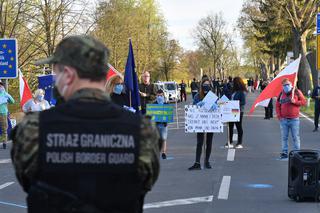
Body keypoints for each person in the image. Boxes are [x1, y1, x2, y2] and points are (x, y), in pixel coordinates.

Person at [10, 35, 160, 213]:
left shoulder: (33, 130)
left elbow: (27, 180)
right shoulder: (142, 131)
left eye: (56, 72)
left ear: (69, 75)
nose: (55, 80)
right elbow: (144, 184)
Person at [188, 76, 217, 170]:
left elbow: (218, 107)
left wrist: (215, 106)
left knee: (209, 142)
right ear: (201, 85)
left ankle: (207, 161)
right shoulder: (197, 96)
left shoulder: (213, 96)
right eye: (204, 85)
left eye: (208, 85)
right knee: (199, 142)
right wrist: (198, 105)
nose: (206, 86)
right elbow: (193, 108)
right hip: (200, 122)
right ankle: (197, 162)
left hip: (210, 122)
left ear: (210, 86)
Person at [276, 78, 306, 159]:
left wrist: (295, 102)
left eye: (287, 84)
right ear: (282, 86)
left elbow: (304, 102)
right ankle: (284, 152)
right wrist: (279, 116)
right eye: (284, 85)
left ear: (291, 84)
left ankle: (297, 153)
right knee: (284, 137)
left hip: (294, 119)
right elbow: (277, 105)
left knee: (295, 137)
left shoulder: (296, 92)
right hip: (284, 120)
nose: (286, 86)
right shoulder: (281, 94)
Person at [227, 77, 247, 149]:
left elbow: (243, 102)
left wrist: (235, 104)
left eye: (233, 82)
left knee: (238, 126)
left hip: (238, 111)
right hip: (231, 110)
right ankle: (230, 141)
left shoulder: (241, 92)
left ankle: (239, 142)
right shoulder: (233, 91)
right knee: (230, 126)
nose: (232, 83)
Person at [154, 89, 168, 159]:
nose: (160, 97)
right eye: (158, 96)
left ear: (163, 96)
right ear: (156, 96)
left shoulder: (166, 104)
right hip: (156, 125)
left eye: (161, 96)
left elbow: (168, 115)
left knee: (164, 139)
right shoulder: (154, 104)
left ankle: (164, 152)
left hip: (164, 125)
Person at [0, 82, 14, 149]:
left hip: (3, 113)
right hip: (3, 113)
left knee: (4, 129)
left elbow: (12, 101)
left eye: (1, 86)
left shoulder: (5, 94)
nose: (0, 87)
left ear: (3, 87)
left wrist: (8, 96)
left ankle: (4, 143)